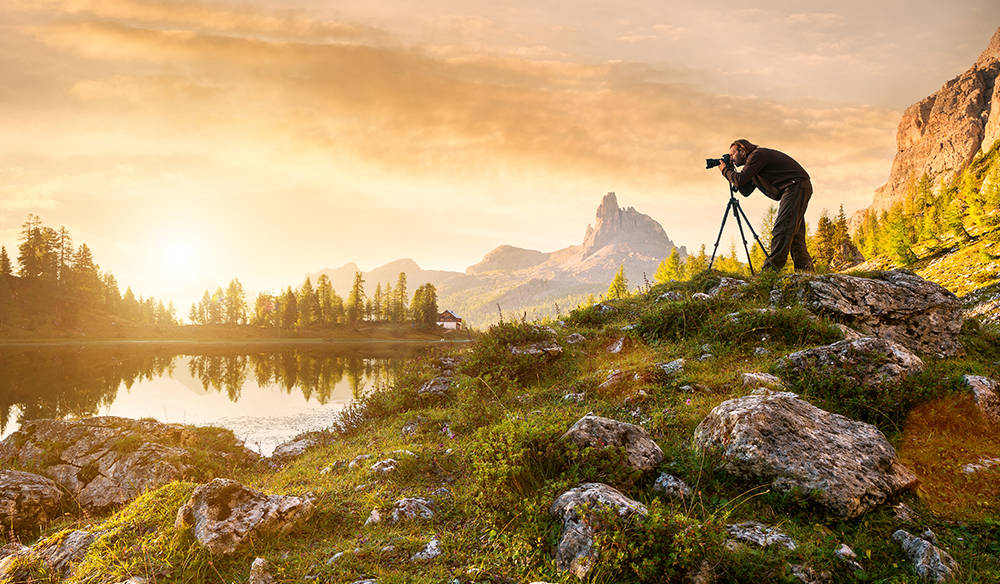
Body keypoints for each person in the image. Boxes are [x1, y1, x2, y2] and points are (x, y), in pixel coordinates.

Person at [718, 139, 814, 272]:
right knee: (795, 235)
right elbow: (745, 190)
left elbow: (739, 180)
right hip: (798, 187)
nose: (731, 158)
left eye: (733, 154)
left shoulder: (757, 155)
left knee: (783, 229)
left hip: (795, 186)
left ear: (743, 150)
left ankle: (769, 272)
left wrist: (725, 170)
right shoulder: (754, 164)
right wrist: (731, 171)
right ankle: (806, 272)